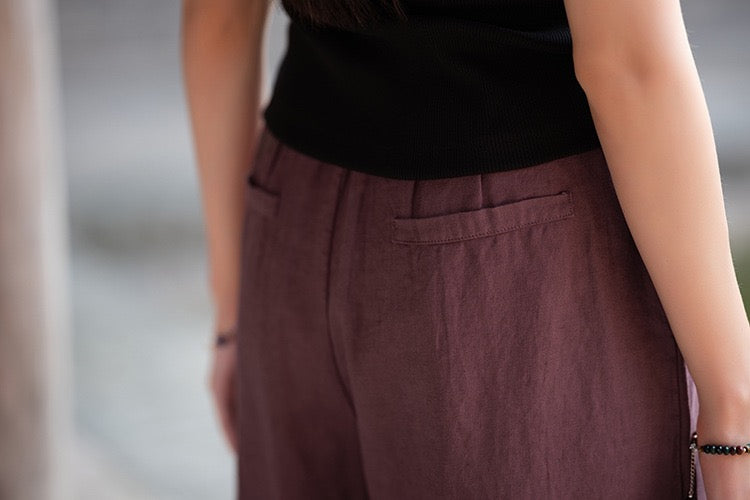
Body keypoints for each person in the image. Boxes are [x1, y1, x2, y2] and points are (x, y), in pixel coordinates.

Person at [180, 0, 750, 497]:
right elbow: (628, 65)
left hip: (292, 230)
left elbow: (217, 20)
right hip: (507, 264)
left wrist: (234, 312)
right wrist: (735, 412)